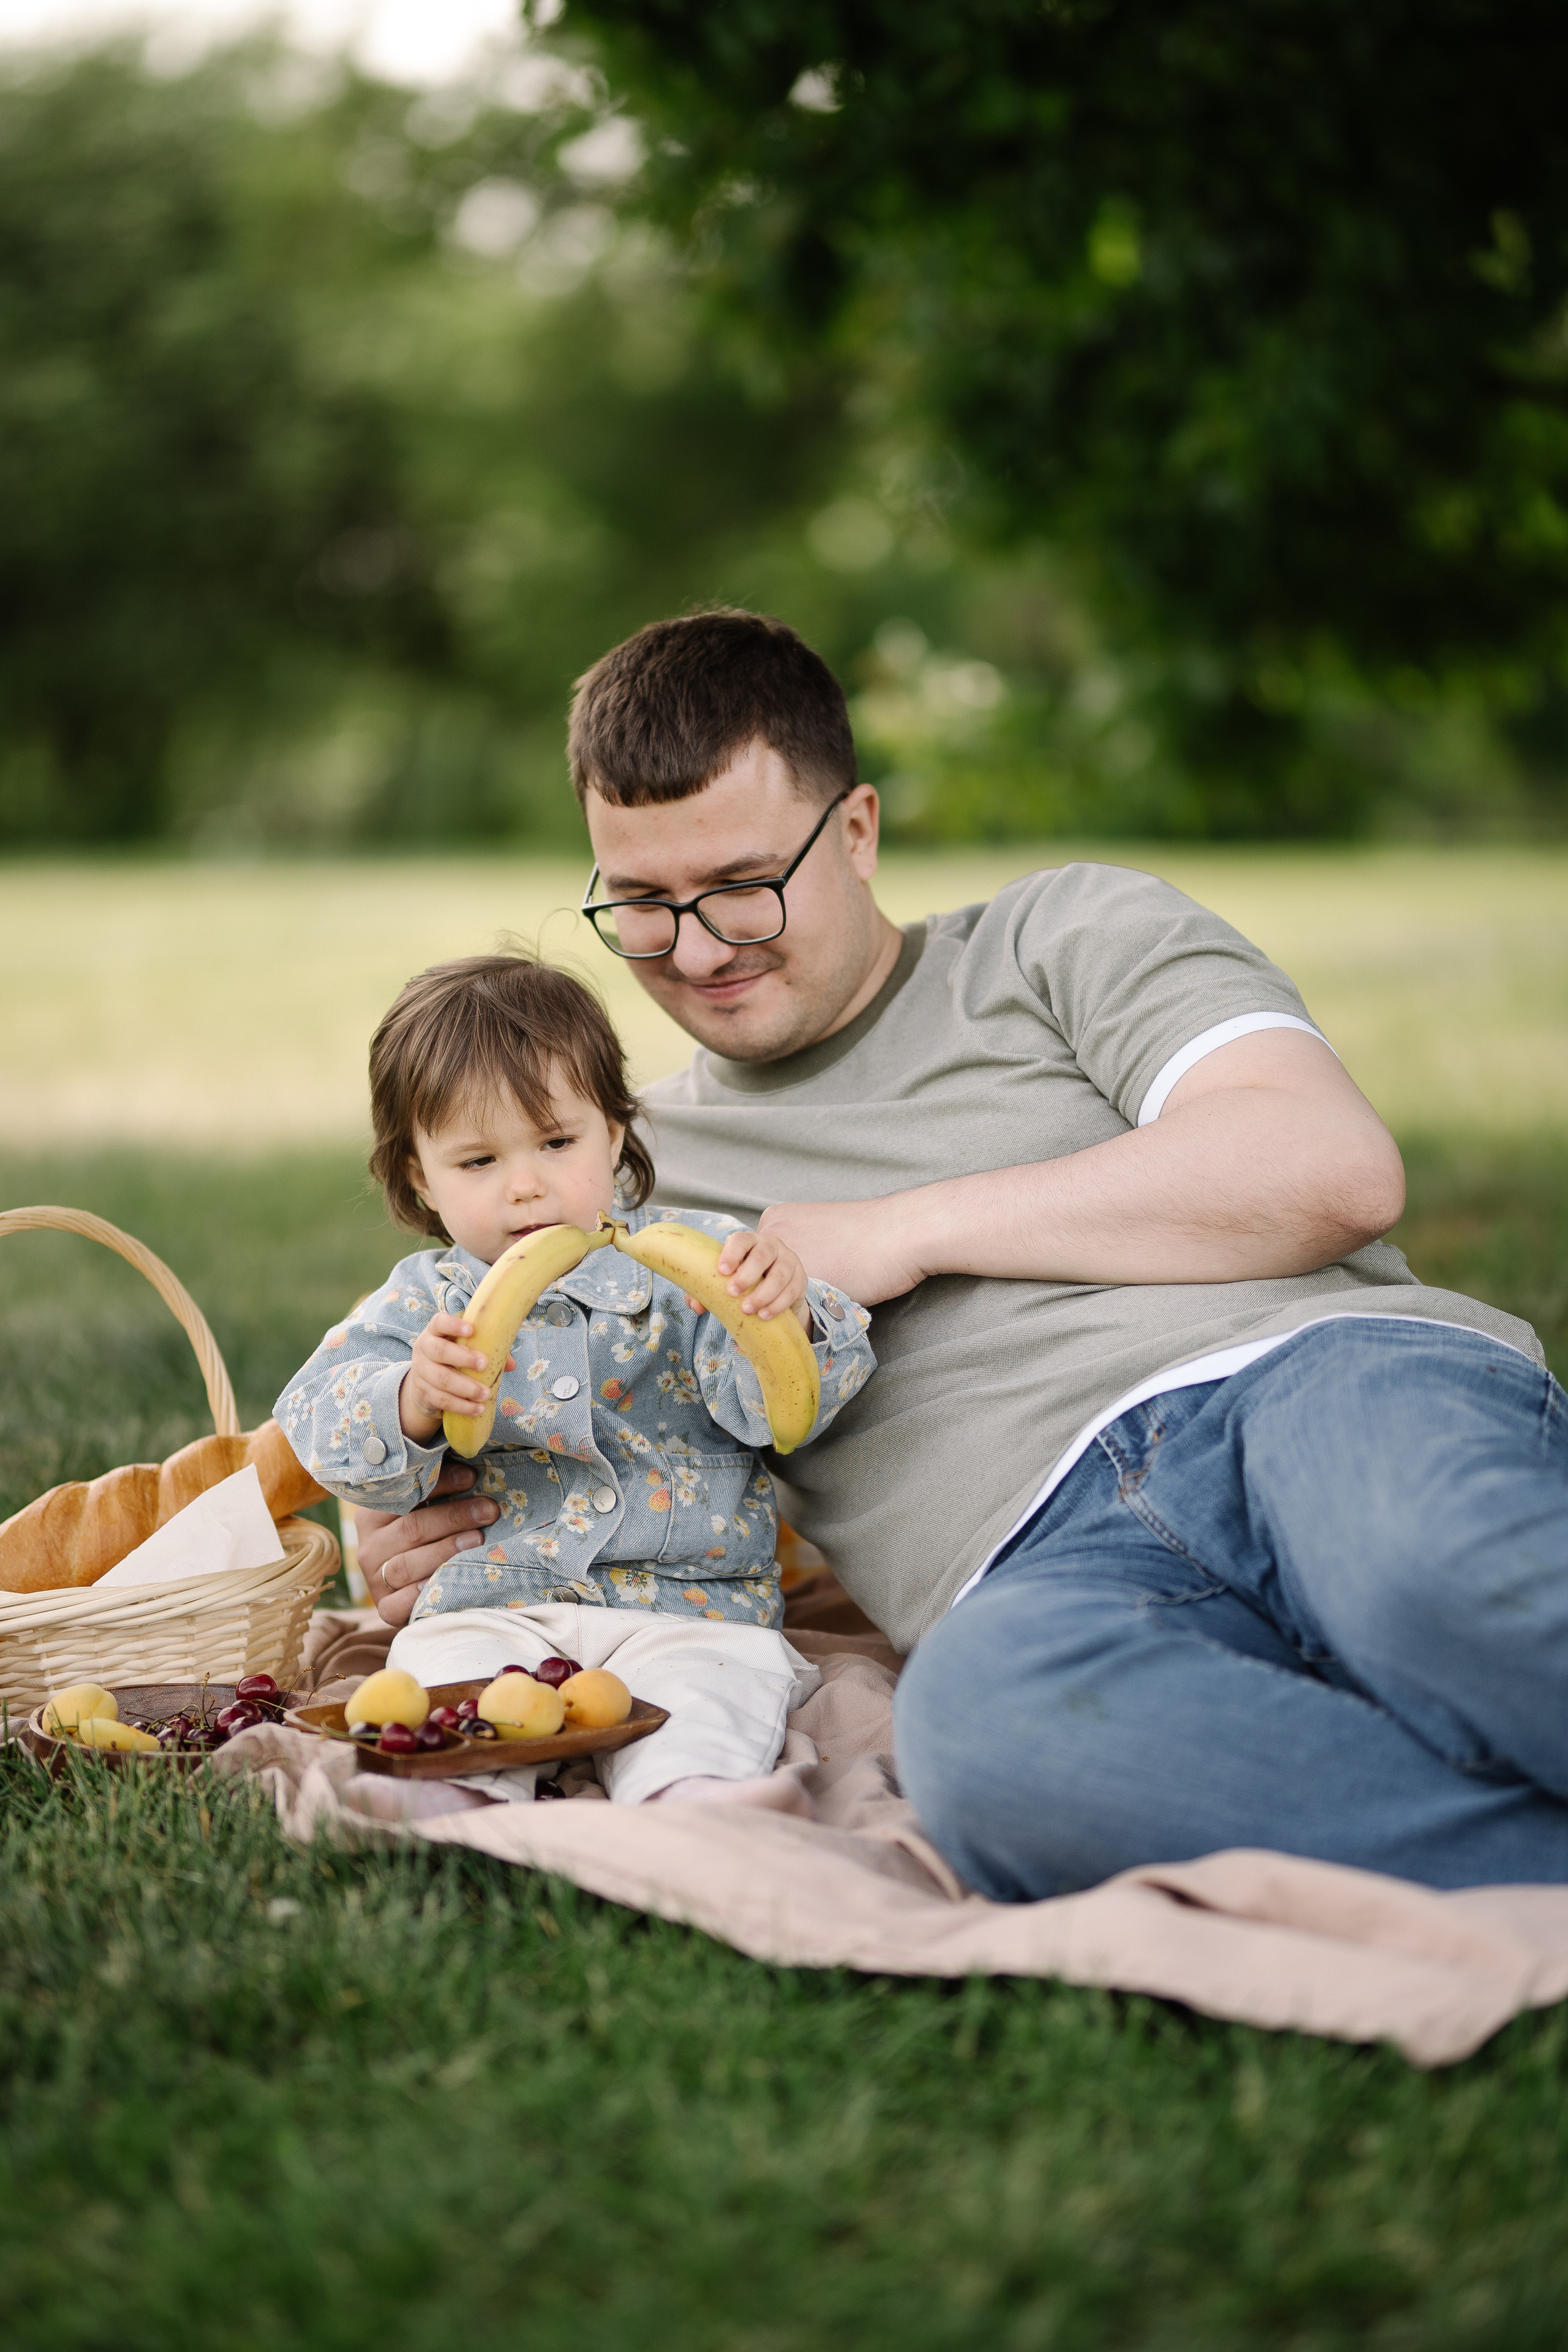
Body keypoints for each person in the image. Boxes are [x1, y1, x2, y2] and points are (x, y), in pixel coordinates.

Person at [355, 609, 1568, 1893]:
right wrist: (435, 1518)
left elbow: (1328, 1167)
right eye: (643, 906)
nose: (698, 951)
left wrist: (899, 1233)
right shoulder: (611, 1172)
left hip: (1315, 1387)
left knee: (1436, 1588)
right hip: (1031, 1568)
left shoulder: (1058, 938)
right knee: (997, 1755)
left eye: (743, 887)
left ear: (860, 830)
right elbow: (486, 1382)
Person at [277, 950, 873, 1809]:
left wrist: (790, 1313)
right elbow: (325, 1427)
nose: (526, 1187)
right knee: (449, 1693)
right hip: (494, 1606)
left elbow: (776, 1412)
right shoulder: (421, 1308)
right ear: (419, 1175)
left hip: (689, 1611)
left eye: (558, 1143)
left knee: (712, 1699)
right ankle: (460, 1801)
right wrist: (410, 1398)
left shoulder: (693, 1270)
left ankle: (689, 1802)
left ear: (615, 1134)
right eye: (477, 1163)